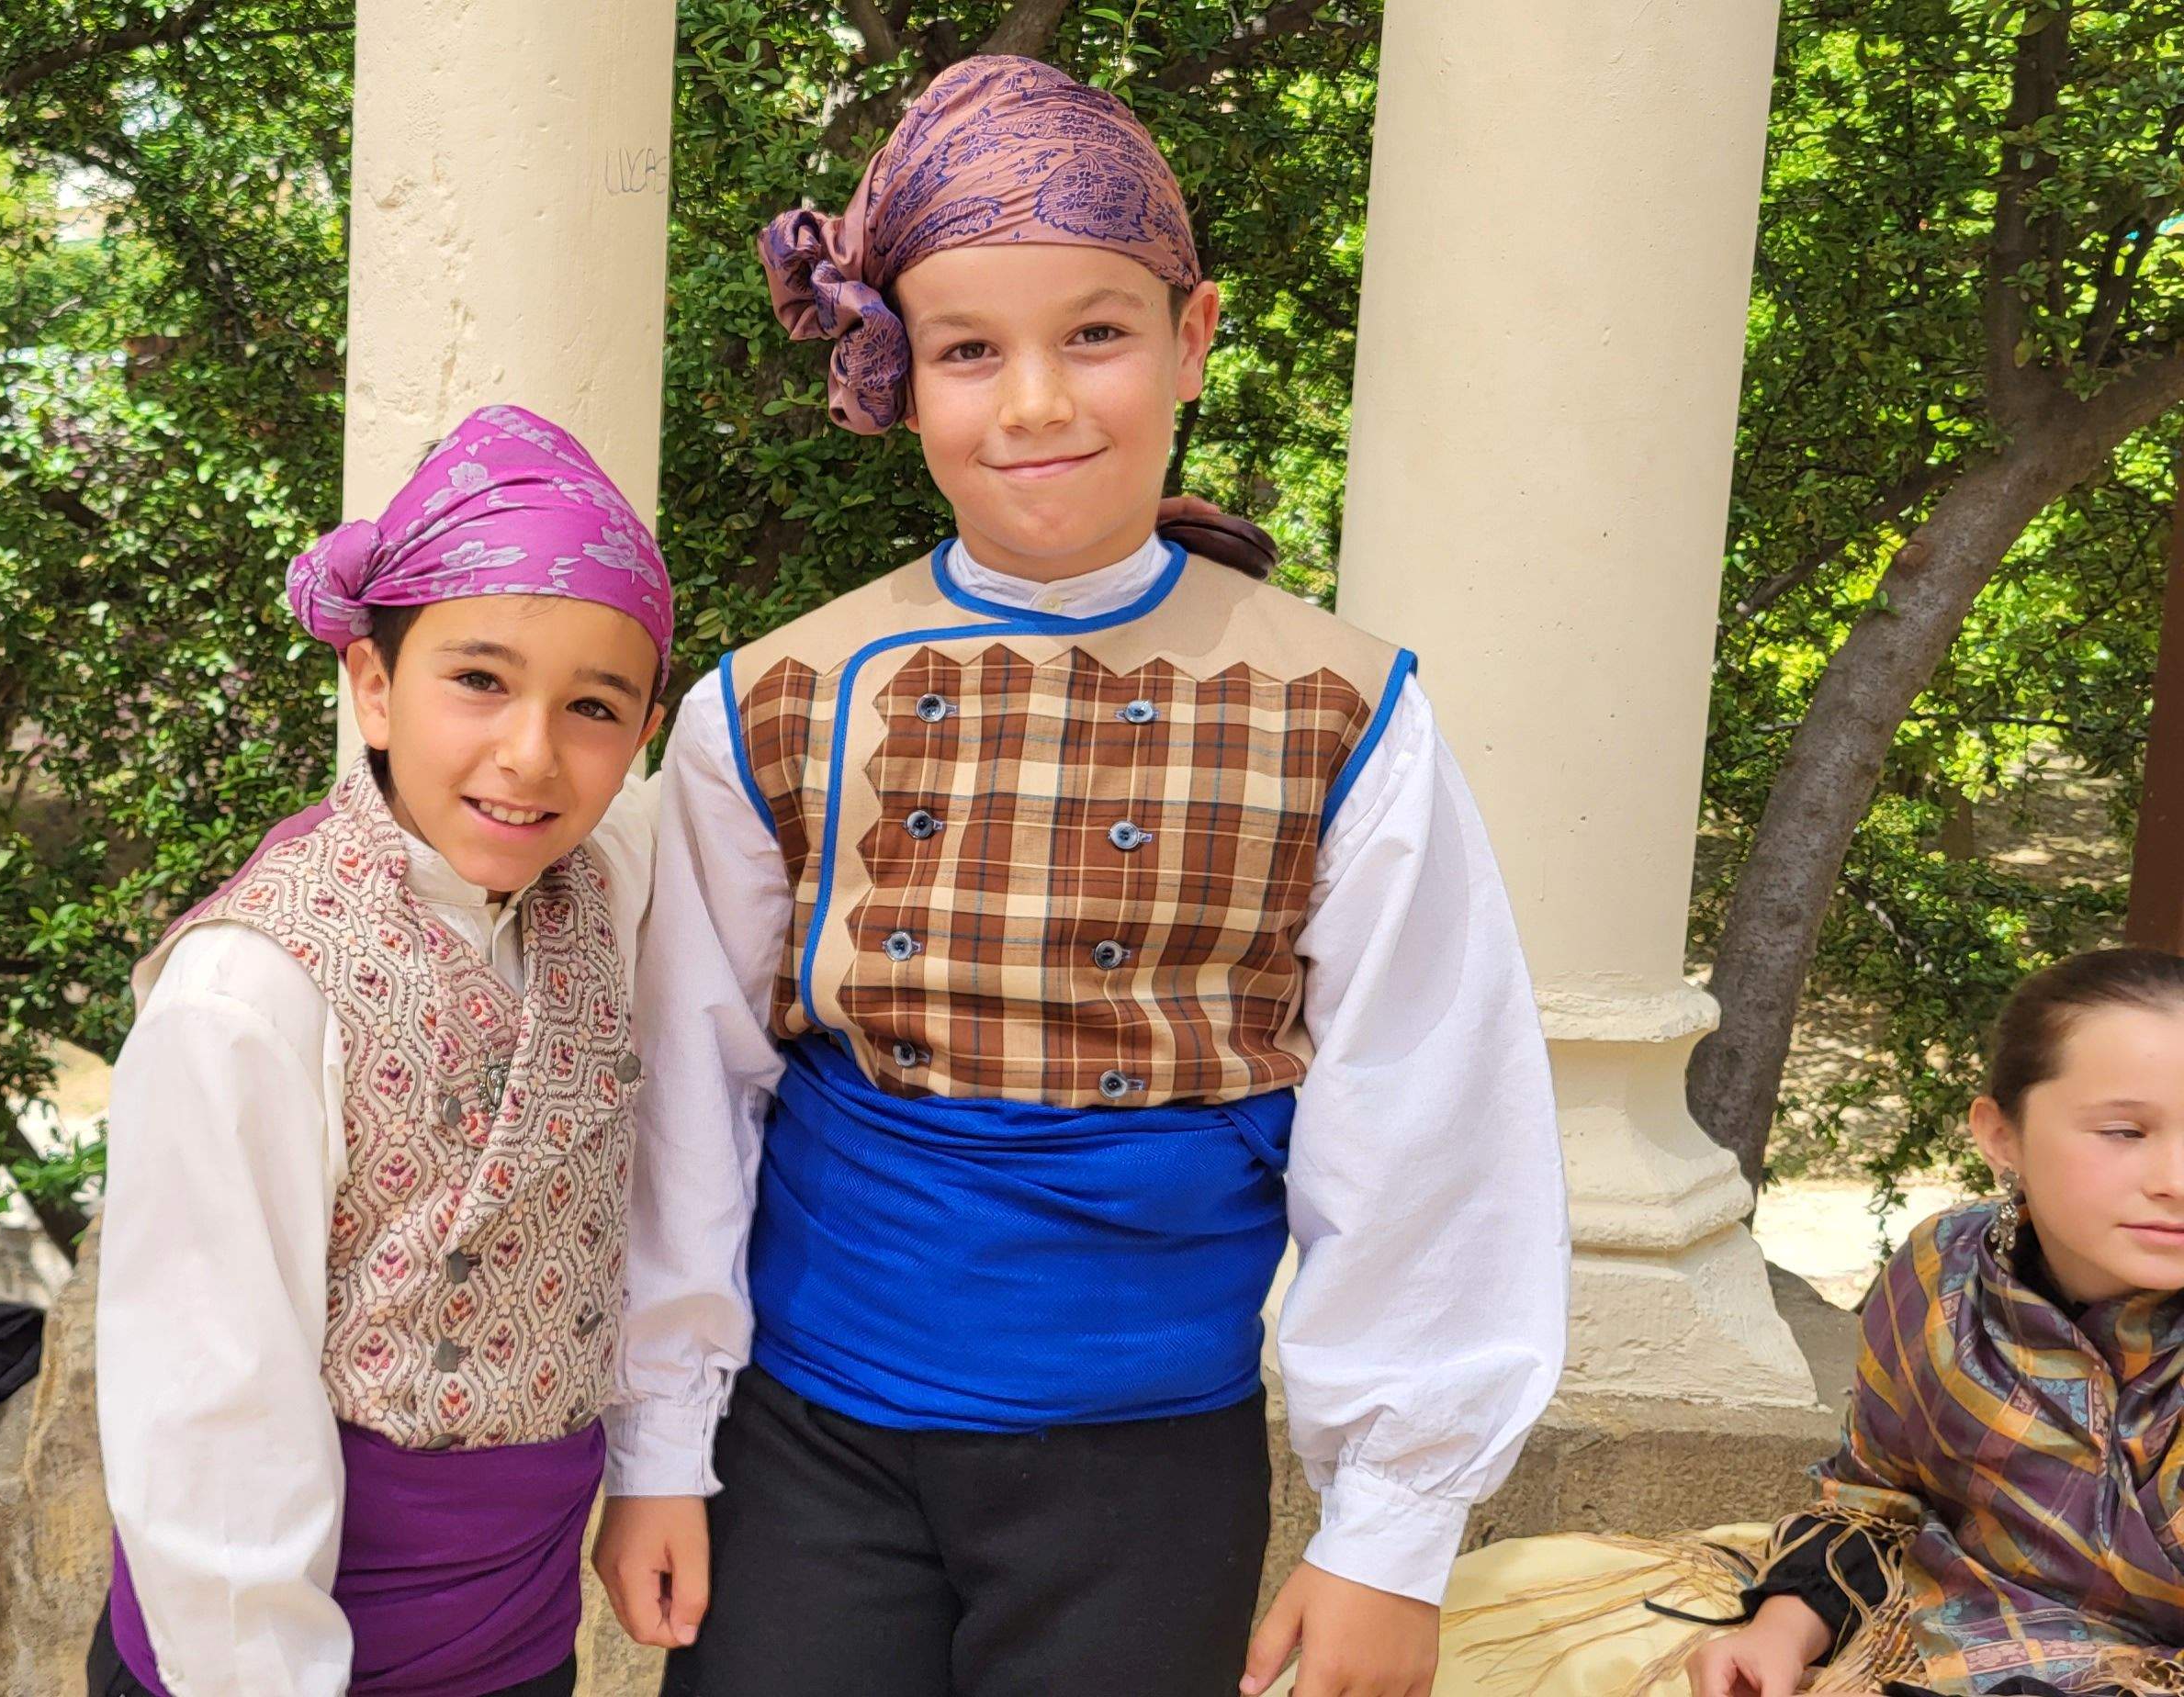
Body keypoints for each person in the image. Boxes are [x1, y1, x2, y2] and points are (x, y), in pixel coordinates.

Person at [588, 55, 1572, 1697]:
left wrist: (1389, 1530)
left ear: (1191, 338)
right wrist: (661, 1437)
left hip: (1146, 1469)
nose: (1035, 401)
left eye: (1095, 333)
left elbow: (1424, 1112)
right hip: (807, 1455)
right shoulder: (770, 699)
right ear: (902, 378)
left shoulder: (1343, 710)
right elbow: (694, 1080)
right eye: (970, 351)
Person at [91, 404, 674, 1697]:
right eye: (479, 680)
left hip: (520, 1637)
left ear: (641, 735)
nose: (530, 755)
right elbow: (211, 1407)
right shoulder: (248, 990)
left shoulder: (600, 886)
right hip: (279, 1652)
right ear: (370, 682)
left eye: (592, 704)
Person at [1416, 948, 2184, 1697]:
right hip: (1939, 1623)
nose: (2176, 1181)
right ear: (2000, 1135)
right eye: (2126, 1132)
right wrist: (1777, 1634)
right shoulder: (1945, 1275)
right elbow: (1877, 1501)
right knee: (1488, 1628)